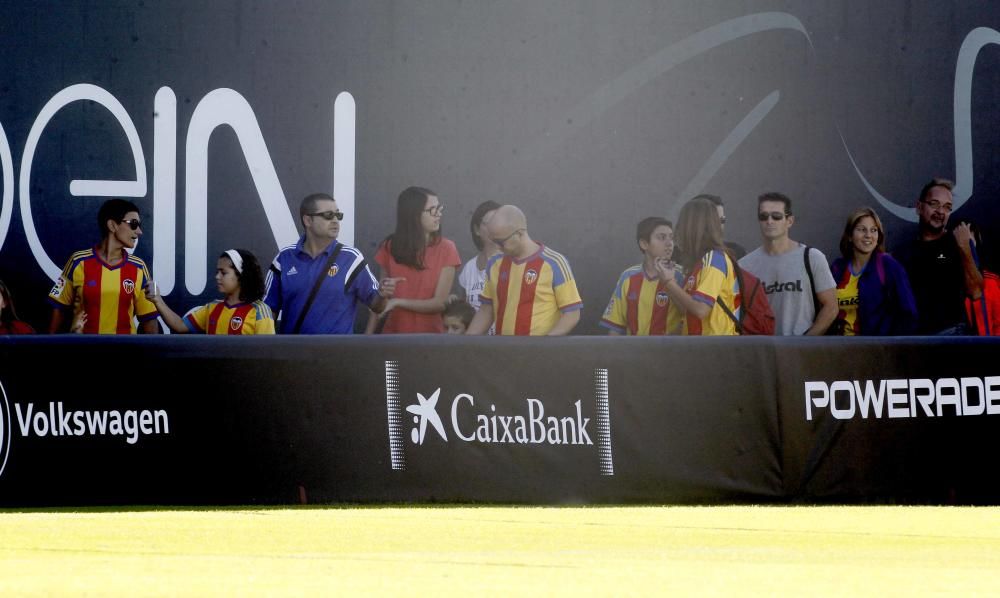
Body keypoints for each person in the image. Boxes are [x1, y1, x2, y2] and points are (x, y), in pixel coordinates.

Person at [264, 193, 398, 334]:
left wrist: (382, 295)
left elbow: (377, 306)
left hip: (337, 354)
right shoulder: (284, 258)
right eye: (328, 215)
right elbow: (267, 312)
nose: (335, 220)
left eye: (338, 215)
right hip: (293, 353)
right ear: (308, 220)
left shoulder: (351, 258)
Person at [466, 205, 582, 335]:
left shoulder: (554, 262)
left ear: (519, 233)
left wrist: (545, 347)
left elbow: (572, 314)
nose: (497, 247)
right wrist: (464, 345)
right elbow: (486, 310)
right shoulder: (494, 263)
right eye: (493, 241)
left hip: (539, 353)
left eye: (501, 242)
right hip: (503, 351)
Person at [47, 198, 159, 334]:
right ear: (112, 225)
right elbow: (59, 308)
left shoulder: (139, 267)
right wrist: (48, 350)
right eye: (134, 224)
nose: (139, 231)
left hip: (126, 353)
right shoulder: (78, 261)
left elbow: (149, 318)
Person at [738, 192, 838, 335]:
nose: (770, 221)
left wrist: (806, 343)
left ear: (789, 221)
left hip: (802, 352)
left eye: (777, 216)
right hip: (763, 352)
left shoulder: (812, 257)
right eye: (763, 216)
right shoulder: (744, 265)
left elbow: (831, 307)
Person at [893, 178, 983, 335]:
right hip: (914, 341)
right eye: (934, 204)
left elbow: (976, 292)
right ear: (919, 207)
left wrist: (964, 249)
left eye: (947, 207)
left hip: (952, 336)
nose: (940, 212)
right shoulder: (902, 252)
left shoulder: (959, 243)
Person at [367, 186, 460, 334]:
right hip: (393, 339)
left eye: (439, 208)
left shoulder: (447, 248)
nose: (438, 214)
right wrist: (382, 295)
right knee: (391, 360)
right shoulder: (389, 247)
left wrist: (398, 302)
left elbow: (440, 303)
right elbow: (380, 307)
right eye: (432, 210)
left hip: (430, 342)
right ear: (414, 214)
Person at [656, 197, 738, 336]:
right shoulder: (699, 262)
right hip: (699, 348)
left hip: (714, 349)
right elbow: (688, 310)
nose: (678, 231)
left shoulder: (714, 259)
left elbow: (701, 310)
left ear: (692, 227)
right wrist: (667, 282)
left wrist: (670, 283)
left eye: (682, 224)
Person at [829, 208, 918, 335]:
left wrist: (887, 349)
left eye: (873, 230)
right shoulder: (838, 268)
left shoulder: (889, 266)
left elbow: (908, 315)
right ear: (849, 236)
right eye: (861, 229)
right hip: (841, 350)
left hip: (875, 351)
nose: (868, 235)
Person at [149, 249, 275, 335]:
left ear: (242, 275)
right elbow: (179, 325)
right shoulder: (212, 307)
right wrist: (157, 300)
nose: (217, 277)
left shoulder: (260, 311)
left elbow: (267, 354)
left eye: (223, 272)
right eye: (217, 272)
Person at [600, 217, 683, 335]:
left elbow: (690, 318)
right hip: (634, 352)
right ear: (644, 244)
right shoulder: (627, 277)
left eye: (671, 238)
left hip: (670, 352)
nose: (669, 243)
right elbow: (615, 328)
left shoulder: (681, 276)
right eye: (662, 237)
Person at [458, 200, 502, 310]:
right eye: (490, 223)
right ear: (477, 229)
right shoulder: (469, 268)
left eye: (499, 222)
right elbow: (464, 311)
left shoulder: (513, 263)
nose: (495, 227)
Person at [700, 193, 748, 260]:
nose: (719, 226)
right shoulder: (681, 255)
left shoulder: (737, 253)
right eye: (713, 220)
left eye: (722, 220)